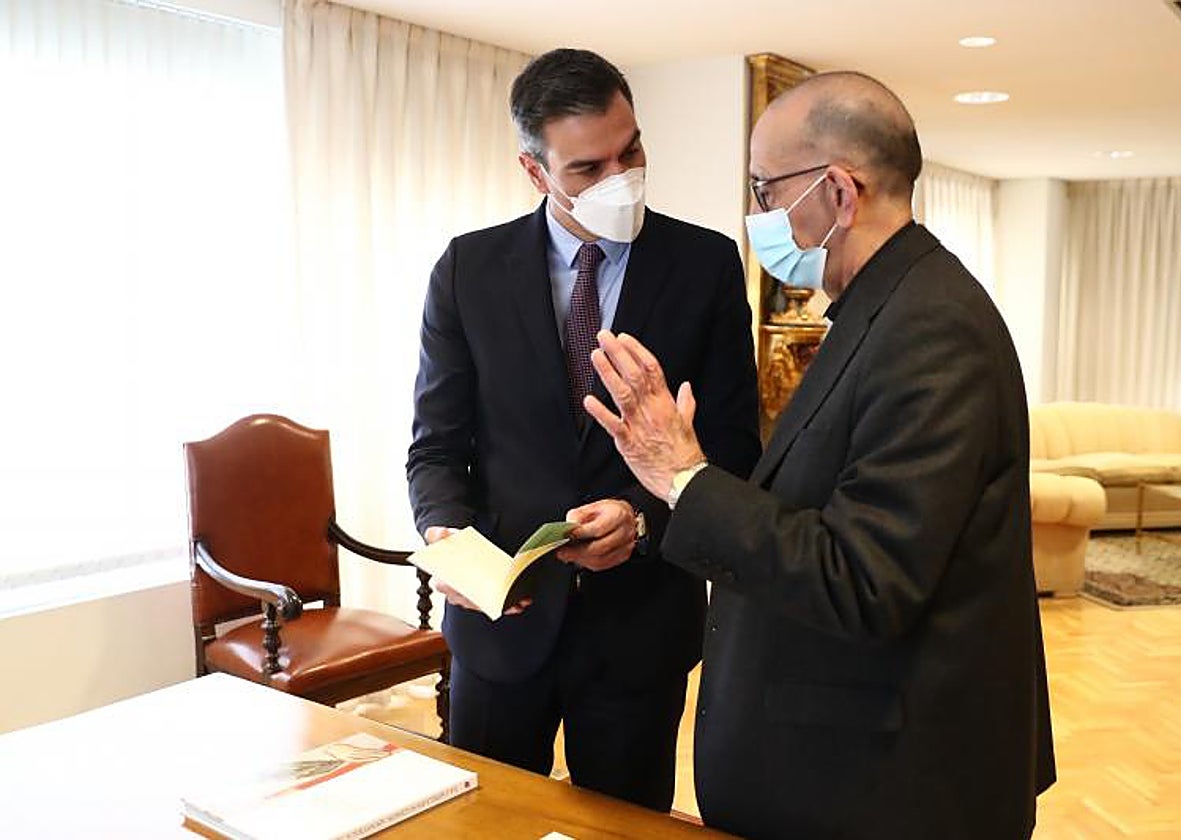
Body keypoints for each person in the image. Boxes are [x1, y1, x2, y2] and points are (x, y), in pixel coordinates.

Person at [584, 71, 1056, 838]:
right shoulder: (884, 307)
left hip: (892, 783)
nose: (757, 216)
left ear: (837, 192)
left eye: (764, 189)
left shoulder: (931, 328)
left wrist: (685, 477)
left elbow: (865, 579)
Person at [406, 48, 760, 811]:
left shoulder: (706, 266)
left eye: (630, 151)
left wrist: (642, 515)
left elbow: (734, 448)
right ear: (534, 172)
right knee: (488, 823)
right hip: (502, 622)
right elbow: (435, 447)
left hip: (640, 627)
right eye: (588, 168)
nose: (619, 177)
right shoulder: (468, 270)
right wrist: (447, 540)